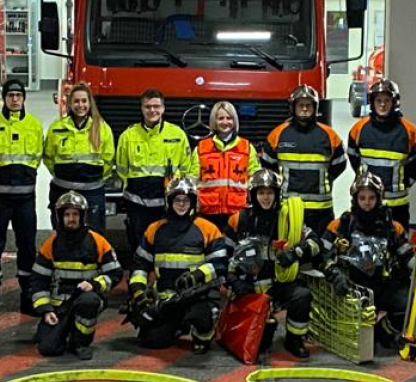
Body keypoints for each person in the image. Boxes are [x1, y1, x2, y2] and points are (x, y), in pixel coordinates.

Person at [225, 169, 322, 359]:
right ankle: (265, 327)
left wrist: (295, 253)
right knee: (260, 345)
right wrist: (233, 281)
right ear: (253, 195)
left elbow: (315, 242)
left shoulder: (287, 219)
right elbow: (225, 257)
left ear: (277, 194)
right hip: (249, 287)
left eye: (270, 193)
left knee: (302, 295)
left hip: (279, 284)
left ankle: (294, 339)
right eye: (261, 193)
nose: (266, 198)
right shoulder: (239, 220)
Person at [128, 176, 228, 354]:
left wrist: (196, 276)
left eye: (186, 200)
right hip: (166, 299)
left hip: (197, 296)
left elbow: (220, 265)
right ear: (169, 201)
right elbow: (140, 265)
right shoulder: (155, 229)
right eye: (177, 199)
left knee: (201, 320)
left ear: (193, 202)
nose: (182, 204)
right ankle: (177, 327)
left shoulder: (207, 229)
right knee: (152, 340)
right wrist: (138, 293)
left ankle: (202, 335)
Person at [321, 170, 415, 350]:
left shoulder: (393, 227)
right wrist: (334, 274)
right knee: (355, 341)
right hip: (351, 288)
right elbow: (321, 256)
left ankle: (383, 332)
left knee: (410, 304)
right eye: (362, 197)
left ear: (379, 198)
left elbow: (407, 255)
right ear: (355, 199)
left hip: (383, 285)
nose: (366, 202)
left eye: (371, 197)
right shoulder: (340, 225)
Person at [27, 191, 122, 360]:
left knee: (89, 302)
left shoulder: (98, 242)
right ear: (60, 217)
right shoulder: (51, 244)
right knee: (49, 348)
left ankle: (81, 343)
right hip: (59, 305)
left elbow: (115, 273)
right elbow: (38, 281)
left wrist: (94, 284)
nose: (71, 218)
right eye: (67, 214)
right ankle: (60, 331)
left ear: (82, 216)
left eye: (75, 214)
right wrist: (46, 310)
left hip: (86, 298)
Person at [0, 78, 42, 321]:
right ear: (3, 97)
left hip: (25, 199)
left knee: (27, 247)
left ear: (24, 97)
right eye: (10, 94)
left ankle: (28, 297)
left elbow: (38, 156)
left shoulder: (34, 126)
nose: (15, 99)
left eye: (19, 94)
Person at [262, 84, 347, 234]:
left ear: (316, 108)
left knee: (320, 251)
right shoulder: (277, 134)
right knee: (288, 250)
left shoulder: (330, 136)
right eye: (301, 105)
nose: (305, 109)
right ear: (293, 107)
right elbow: (268, 167)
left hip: (321, 209)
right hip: (288, 207)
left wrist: (324, 181)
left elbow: (339, 165)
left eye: (309, 105)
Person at [115, 88, 190, 255]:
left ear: (163, 108)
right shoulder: (128, 135)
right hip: (137, 201)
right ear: (141, 109)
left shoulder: (177, 134)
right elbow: (121, 167)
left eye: (156, 106)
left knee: (166, 240)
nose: (152, 110)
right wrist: (132, 184)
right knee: (138, 241)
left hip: (166, 200)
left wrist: (173, 185)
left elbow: (186, 166)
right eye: (148, 106)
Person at [347, 78, 416, 228]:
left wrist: (403, 184)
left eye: (387, 100)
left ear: (394, 102)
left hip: (397, 204)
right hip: (366, 204)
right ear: (372, 102)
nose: (382, 104)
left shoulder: (410, 131)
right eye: (378, 100)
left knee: (397, 244)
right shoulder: (359, 129)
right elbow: (353, 158)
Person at [44, 82, 115, 232]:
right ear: (70, 103)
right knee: (63, 233)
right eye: (76, 101)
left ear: (90, 103)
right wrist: (63, 174)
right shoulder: (57, 128)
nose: (80, 105)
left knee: (93, 234)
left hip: (93, 192)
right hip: (61, 189)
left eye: (84, 101)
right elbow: (48, 157)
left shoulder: (102, 128)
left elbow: (109, 160)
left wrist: (95, 178)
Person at [185, 100, 260, 233]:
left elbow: (256, 181)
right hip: (207, 213)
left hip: (238, 213)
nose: (225, 122)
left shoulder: (247, 147)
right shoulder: (201, 148)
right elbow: (191, 180)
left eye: (229, 118)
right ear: (214, 121)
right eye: (220, 118)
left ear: (234, 120)